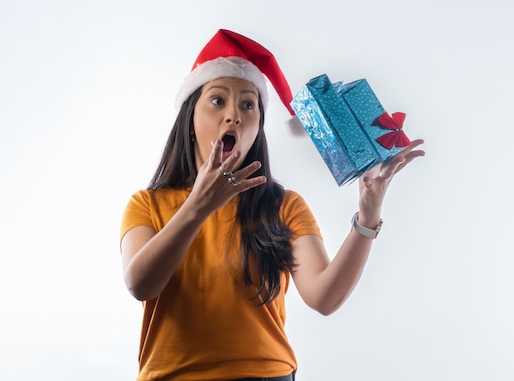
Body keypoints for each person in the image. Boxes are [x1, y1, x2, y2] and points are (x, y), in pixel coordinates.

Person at [119, 29, 425, 381]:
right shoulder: (146, 205)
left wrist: (369, 213)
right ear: (189, 121)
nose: (234, 115)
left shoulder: (284, 206)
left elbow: (324, 297)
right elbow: (140, 284)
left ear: (257, 128)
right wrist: (198, 207)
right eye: (218, 100)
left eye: (248, 104)